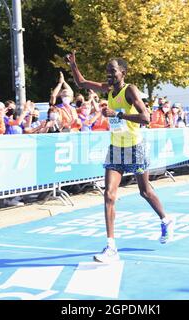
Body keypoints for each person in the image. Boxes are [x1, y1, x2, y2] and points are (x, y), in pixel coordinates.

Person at [66, 51, 175, 263]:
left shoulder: (129, 90)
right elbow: (81, 83)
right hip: (116, 147)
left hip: (135, 147)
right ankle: (111, 247)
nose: (109, 74)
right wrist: (73, 64)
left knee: (145, 191)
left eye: (112, 71)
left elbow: (146, 118)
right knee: (109, 194)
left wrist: (117, 114)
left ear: (122, 73)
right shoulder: (108, 90)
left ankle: (166, 219)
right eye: (107, 71)